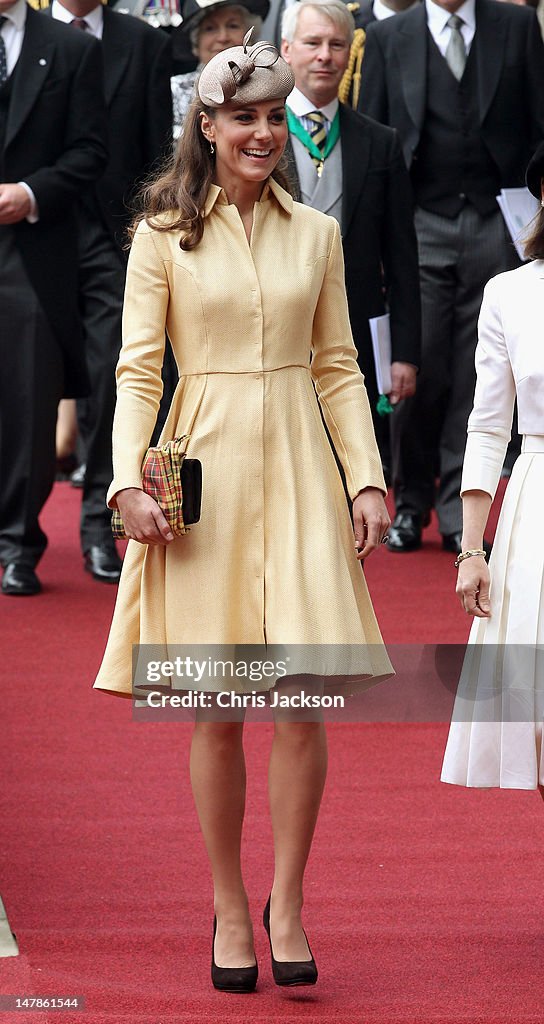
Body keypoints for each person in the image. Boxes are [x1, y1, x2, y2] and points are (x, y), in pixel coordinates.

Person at [94, 34, 393, 989]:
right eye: (243, 118)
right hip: (201, 471)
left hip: (303, 469)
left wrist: (367, 479)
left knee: (303, 704)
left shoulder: (320, 235)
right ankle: (229, 907)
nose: (262, 133)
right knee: (216, 706)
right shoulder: (159, 235)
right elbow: (139, 370)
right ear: (207, 125)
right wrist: (125, 482)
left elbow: (340, 367)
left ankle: (290, 900)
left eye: (274, 117)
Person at [358, 0, 544, 555]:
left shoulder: (513, 26)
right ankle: (410, 500)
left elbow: (537, 121)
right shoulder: (390, 35)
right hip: (420, 219)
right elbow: (373, 131)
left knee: (477, 371)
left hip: (497, 218)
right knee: (419, 361)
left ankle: (458, 510)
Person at [47, 0, 172, 584]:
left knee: (110, 377)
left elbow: (155, 153)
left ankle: (100, 524)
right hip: (30, 233)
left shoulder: (142, 42)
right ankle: (15, 533)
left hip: (115, 237)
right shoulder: (21, 34)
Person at [441, 142, 544, 792]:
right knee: (536, 712)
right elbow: (486, 426)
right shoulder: (509, 293)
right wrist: (471, 550)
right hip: (536, 505)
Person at [281, 0, 420, 471]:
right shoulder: (257, 138)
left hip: (355, 335)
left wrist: (403, 355)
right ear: (286, 50)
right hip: (276, 333)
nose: (325, 55)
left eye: (336, 45)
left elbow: (401, 257)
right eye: (312, 43)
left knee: (352, 472)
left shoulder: (380, 141)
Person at [0, 0, 107, 596]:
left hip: (33, 250)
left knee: (30, 398)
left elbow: (91, 151)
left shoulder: (69, 47)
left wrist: (31, 192)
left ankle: (18, 544)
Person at [171, 0, 269, 137]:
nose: (223, 37)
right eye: (210, 28)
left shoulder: (269, 85)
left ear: (250, 37)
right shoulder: (174, 90)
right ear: (196, 41)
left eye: (233, 26)